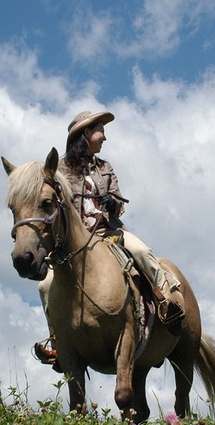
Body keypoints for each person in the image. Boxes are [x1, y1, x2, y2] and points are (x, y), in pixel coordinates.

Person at [33, 110, 185, 365]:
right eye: (100, 131)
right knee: (45, 285)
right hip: (74, 241)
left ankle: (168, 301)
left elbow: (119, 204)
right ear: (85, 134)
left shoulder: (105, 167)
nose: (104, 137)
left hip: (109, 232)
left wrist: (111, 203)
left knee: (142, 252)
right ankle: (57, 342)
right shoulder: (59, 170)